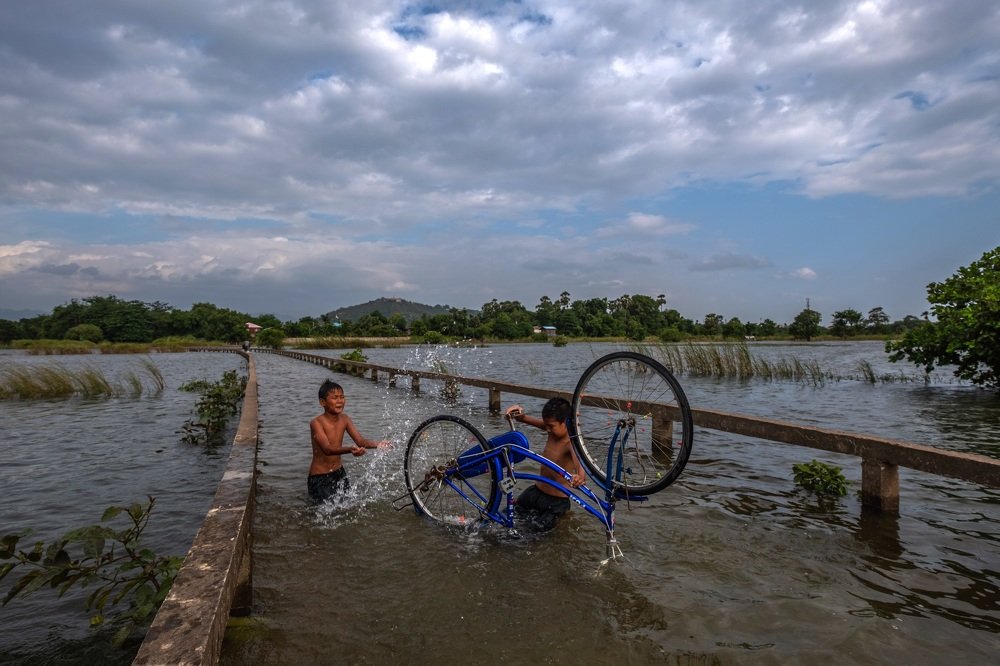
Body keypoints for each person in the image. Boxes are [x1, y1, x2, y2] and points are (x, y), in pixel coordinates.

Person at [505, 397, 586, 531]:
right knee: (507, 514)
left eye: (551, 426)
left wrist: (579, 477)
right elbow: (528, 420)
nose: (547, 429)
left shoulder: (571, 443)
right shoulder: (553, 430)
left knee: (530, 533)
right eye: (546, 425)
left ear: (566, 422)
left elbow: (580, 467)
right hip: (536, 491)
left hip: (555, 502)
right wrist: (519, 416)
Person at [308, 379, 389, 503]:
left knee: (347, 507)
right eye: (335, 398)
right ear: (322, 402)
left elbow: (361, 442)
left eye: (342, 397)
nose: (340, 401)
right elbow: (327, 449)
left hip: (339, 474)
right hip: (320, 478)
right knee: (322, 513)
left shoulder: (345, 419)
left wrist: (378, 444)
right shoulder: (316, 423)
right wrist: (350, 449)